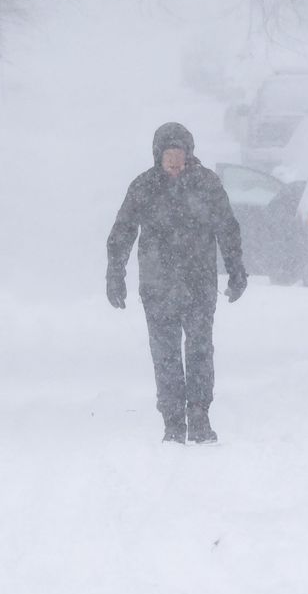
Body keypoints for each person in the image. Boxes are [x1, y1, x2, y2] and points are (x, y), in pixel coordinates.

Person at [106, 122, 247, 443]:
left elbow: (228, 228)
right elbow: (122, 232)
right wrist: (115, 273)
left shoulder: (207, 184)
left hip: (199, 284)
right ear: (158, 156)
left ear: (189, 155)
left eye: (179, 154)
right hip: (157, 286)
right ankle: (172, 421)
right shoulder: (143, 186)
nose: (174, 161)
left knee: (199, 350)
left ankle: (199, 414)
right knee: (165, 354)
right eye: (168, 155)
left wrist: (237, 269)